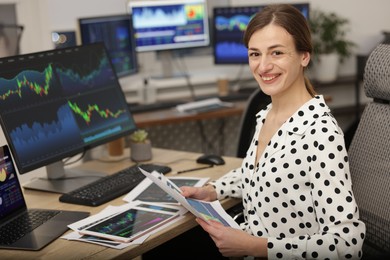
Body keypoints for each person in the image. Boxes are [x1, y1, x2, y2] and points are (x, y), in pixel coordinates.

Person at [181, 4, 366, 259]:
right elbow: (262, 174)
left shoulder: (320, 133)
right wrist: (213, 190)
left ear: (304, 56)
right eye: (255, 54)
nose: (263, 66)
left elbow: (348, 244)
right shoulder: (267, 115)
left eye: (276, 53)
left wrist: (254, 247)